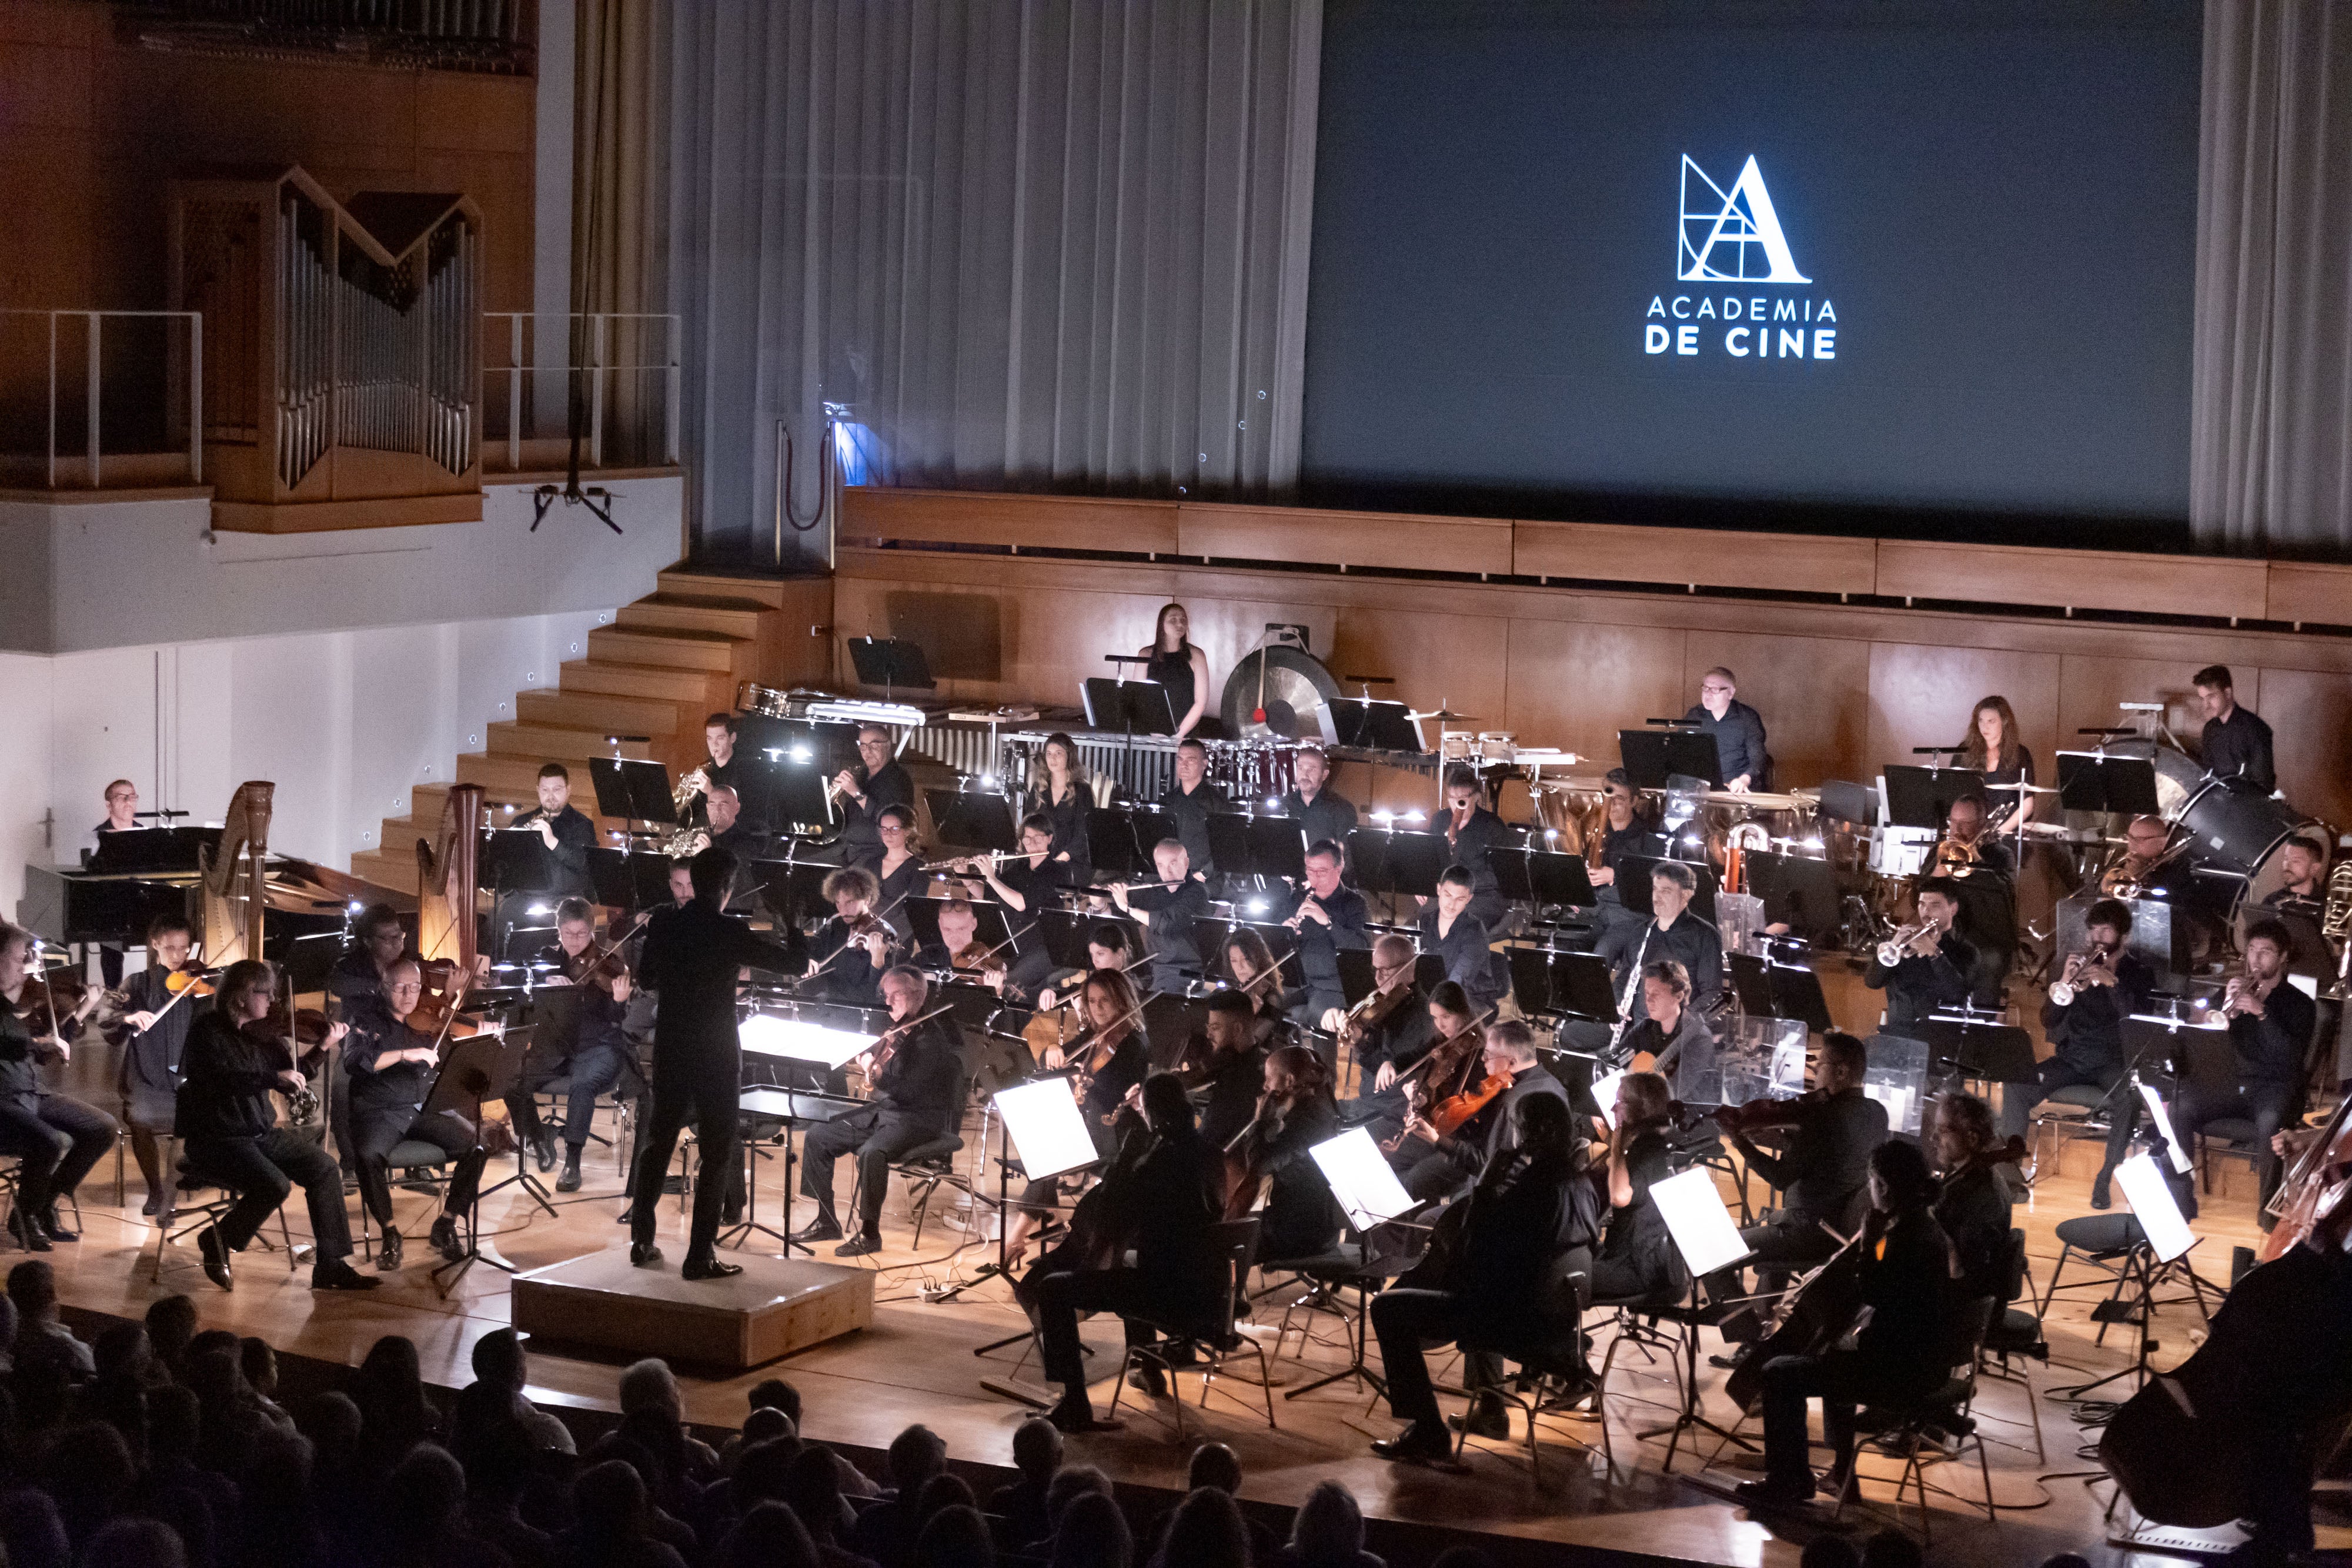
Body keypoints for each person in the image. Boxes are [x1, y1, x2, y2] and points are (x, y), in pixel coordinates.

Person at [1735, 1139, 1955, 1507]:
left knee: (1778, 1372)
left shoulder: (1905, 1235)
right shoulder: (1924, 1225)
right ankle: (1841, 1474)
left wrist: (1868, 1243)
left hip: (1899, 1374)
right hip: (1925, 1364)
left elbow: (1873, 1291)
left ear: (1882, 1185)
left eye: (1872, 1183)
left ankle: (1788, 1481)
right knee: (1835, 1356)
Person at [1371, 1092, 1590, 1462]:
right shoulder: (1579, 1183)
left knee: (1388, 1309)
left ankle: (1428, 1432)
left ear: (1537, 1133)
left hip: (1512, 1322)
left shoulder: (1532, 1190)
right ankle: (1489, 1410)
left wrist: (1486, 1186)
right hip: (1557, 1319)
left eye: (1518, 1128)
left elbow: (1473, 1252)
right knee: (1489, 1288)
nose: (1514, 1137)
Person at [1020, 1071, 1225, 1433]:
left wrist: (1124, 1167)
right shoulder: (1209, 1153)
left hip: (1170, 1294)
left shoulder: (1157, 1163)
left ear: (1152, 1114)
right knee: (1132, 1263)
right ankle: (1147, 1369)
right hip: (1210, 1290)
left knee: (1054, 1288)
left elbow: (1112, 1221)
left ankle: (1075, 1403)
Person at [631, 845, 801, 1279]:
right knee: (716, 1152)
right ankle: (699, 1254)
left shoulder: (666, 923)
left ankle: (642, 1239)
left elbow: (646, 978)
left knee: (659, 1139)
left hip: (670, 1045)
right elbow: (794, 964)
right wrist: (793, 918)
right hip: (716, 1051)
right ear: (727, 888)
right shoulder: (730, 931)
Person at [175, 958, 375, 1292]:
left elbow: (294, 1078)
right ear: (241, 996)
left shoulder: (264, 1034)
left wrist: (323, 1048)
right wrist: (272, 1077)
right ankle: (217, 1240)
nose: (272, 1001)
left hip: (259, 1135)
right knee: (275, 1185)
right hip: (216, 1139)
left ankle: (331, 1264)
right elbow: (220, 1080)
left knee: (325, 1167)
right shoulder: (206, 1030)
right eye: (265, 994)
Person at [796, 966, 963, 1256]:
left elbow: (906, 1092)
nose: (889, 1002)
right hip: (884, 1113)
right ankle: (826, 1220)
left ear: (918, 996)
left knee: (871, 1153)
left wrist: (874, 1069)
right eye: (887, 995)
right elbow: (883, 1083)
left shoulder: (931, 1042)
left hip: (917, 1119)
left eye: (896, 995)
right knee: (818, 1135)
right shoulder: (895, 1031)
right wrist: (868, 1061)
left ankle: (870, 1234)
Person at [339, 957, 489, 1271]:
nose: (409, 995)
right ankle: (390, 1232)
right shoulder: (364, 1018)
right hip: (381, 1112)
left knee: (477, 1147)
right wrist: (405, 1054)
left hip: (423, 1109)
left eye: (416, 987)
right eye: (400, 988)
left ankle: (446, 1224)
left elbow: (446, 1050)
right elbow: (355, 1062)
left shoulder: (428, 1016)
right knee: (367, 1156)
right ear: (384, 986)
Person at [1717, 1030, 1889, 1295]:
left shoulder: (1822, 1117)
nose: (1815, 1074)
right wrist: (1788, 1144)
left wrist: (1740, 1143)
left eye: (1820, 1067)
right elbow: (1833, 1156)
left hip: (1807, 1230)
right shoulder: (1878, 1113)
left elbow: (1780, 1178)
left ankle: (1745, 1327)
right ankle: (1766, 1313)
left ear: (1841, 1072)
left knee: (1716, 1254)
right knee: (1772, 1221)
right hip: (1841, 1229)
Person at [2009, 897, 2150, 1206]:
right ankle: (2010, 1177)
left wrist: (2113, 984)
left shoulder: (2139, 973)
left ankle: (2104, 1179)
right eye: (2093, 930)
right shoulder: (2072, 966)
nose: (2098, 938)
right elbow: (2049, 1020)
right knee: (2018, 1085)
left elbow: (2139, 1024)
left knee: (2130, 1098)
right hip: (2072, 1058)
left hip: (2115, 1062)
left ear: (2123, 937)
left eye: (2106, 931)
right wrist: (2063, 983)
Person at [1004, 968, 1150, 1267]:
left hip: (1114, 1133)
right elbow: (1059, 1057)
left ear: (1122, 1001)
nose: (1097, 1008)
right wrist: (1053, 1050)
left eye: (1105, 1001)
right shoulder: (1093, 1037)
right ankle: (1032, 1232)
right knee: (1047, 1153)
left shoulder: (1135, 1043)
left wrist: (1081, 1079)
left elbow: (1115, 1093)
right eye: (1092, 1001)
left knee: (1051, 1155)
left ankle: (1023, 1236)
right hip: (1089, 1125)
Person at [2179, 919, 2314, 1218]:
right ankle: (2181, 1199)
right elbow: (2202, 1039)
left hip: (2273, 1087)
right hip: (2230, 1083)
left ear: (2282, 957)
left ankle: (2267, 1213)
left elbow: (2290, 1057)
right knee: (2181, 1106)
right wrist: (2226, 1006)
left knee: (2270, 1123)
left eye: (2265, 952)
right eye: (2251, 950)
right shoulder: (2234, 991)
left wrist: (2261, 1013)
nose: (2255, 959)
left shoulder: (2301, 1004)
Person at [0, 921, 119, 1249]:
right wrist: (37, 1043)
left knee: (103, 1128)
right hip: (3, 1104)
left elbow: (40, 1055)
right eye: (19, 957)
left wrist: (77, 1015)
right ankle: (24, 1218)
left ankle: (42, 1206)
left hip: (29, 1095)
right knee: (49, 1143)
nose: (28, 967)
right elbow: (17, 1044)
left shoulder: (13, 1007)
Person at [516, 898, 637, 1193]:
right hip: (556, 1047)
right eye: (568, 934)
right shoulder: (545, 959)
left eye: (582, 934)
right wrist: (544, 988)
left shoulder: (610, 965)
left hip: (598, 1046)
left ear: (592, 933)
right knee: (511, 1079)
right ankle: (538, 1139)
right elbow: (528, 1007)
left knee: (582, 1084)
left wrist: (619, 1002)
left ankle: (573, 1161)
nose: (575, 941)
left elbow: (616, 1019)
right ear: (557, 931)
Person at [1393, 1019, 1570, 1203]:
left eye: (1488, 1055)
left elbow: (1487, 1166)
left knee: (1420, 1190)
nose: (1482, 1060)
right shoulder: (1552, 1083)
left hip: (1506, 1196)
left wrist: (1438, 1140)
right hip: (1538, 1184)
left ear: (1511, 1062)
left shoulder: (1511, 1103)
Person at [110, 912, 204, 1217]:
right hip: (146, 1075)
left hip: (188, 1077)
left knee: (200, 1119)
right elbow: (106, 1015)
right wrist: (128, 1017)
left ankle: (177, 1191)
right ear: (155, 945)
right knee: (139, 1120)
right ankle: (156, 1189)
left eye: (184, 949)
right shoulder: (138, 984)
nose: (178, 956)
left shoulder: (199, 985)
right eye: (170, 948)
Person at [1228, 1044, 1344, 1265]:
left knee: (1224, 1243)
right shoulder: (1321, 1110)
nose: (1265, 1086)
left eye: (1269, 1079)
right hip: (1319, 1228)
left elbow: (1259, 1165)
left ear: (1289, 1082)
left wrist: (1259, 1122)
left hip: (1299, 1234)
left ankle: (1229, 1296)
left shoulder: (1305, 1125)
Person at [1589, 1071, 1684, 1305]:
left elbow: (1620, 1196)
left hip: (1636, 1269)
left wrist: (1618, 1142)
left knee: (1551, 1276)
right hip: (1633, 1260)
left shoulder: (1650, 1151)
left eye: (1620, 1102)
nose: (1613, 1109)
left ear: (1644, 1108)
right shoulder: (1654, 1143)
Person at [1595, 860, 1723, 1025]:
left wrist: (1680, 1020)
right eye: (1655, 889)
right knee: (1571, 1035)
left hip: (1675, 1026)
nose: (1657, 897)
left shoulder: (1705, 935)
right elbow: (1623, 979)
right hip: (1634, 1021)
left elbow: (1712, 993)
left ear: (1685, 895)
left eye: (1666, 891)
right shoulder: (1641, 931)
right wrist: (1618, 1005)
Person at [1333, 938, 1436, 1131]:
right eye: (1375, 969)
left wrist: (1360, 1043)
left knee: (1326, 1127)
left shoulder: (1419, 1015)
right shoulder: (1386, 1002)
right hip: (1368, 1098)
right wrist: (1339, 1016)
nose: (1378, 978)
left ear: (1406, 967)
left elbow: (1387, 1078)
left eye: (1385, 970)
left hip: (1386, 1109)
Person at [1929, 1091, 2014, 1305]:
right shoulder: (1963, 1175)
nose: (1933, 1138)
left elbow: (1965, 1276)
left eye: (1942, 1130)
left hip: (1962, 1308)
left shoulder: (1983, 1197)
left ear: (1972, 1139)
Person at [1278, 841, 1370, 1033]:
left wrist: (1328, 922)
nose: (1315, 878)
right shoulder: (1297, 899)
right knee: (1265, 1006)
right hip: (1301, 983)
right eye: (1310, 871)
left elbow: (1360, 949)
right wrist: (1285, 935)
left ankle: (1319, 1062)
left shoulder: (1355, 904)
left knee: (1320, 1015)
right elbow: (1279, 952)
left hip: (1333, 988)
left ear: (1339, 869)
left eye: (1322, 872)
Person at [1865, 878, 1977, 1032]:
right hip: (1898, 1033)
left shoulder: (1966, 950)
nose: (1926, 911)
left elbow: (1958, 994)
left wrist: (1934, 953)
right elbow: (1873, 982)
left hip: (1940, 1036)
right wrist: (1895, 943)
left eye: (1935, 905)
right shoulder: (1904, 944)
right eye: (1922, 904)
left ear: (1953, 909)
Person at [1171, 990, 1268, 1152]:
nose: (1208, 1035)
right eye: (1208, 1027)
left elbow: (1210, 1137)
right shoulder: (1230, 1058)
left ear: (1237, 1029)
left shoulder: (1243, 1081)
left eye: (1215, 1028)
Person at [1114, 838, 1210, 993]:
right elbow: (1120, 909)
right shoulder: (1155, 890)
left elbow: (1166, 922)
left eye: (1173, 864)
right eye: (1161, 866)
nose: (1167, 872)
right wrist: (1103, 901)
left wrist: (1127, 908)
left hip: (1184, 972)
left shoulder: (1197, 892)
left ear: (1186, 863)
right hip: (1154, 969)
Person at [1618, 959, 1716, 1106]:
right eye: (1646, 993)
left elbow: (1675, 1093)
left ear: (1679, 996)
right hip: (1642, 1113)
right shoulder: (1645, 1028)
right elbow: (1615, 1063)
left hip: (1684, 1119)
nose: (1649, 1000)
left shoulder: (1700, 1039)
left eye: (1656, 994)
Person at [1417, 866, 1502, 1014]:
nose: (1451, 905)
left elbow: (1457, 982)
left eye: (1460, 899)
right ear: (1439, 890)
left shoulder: (1475, 931)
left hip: (1471, 1000)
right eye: (1448, 895)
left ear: (1469, 898)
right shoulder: (1424, 922)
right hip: (1436, 994)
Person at [1435, 767, 1513, 928]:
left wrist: (1461, 885)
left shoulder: (1492, 826)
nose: (1457, 804)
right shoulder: (1440, 820)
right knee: (1423, 925)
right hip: (1447, 897)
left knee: (1457, 925)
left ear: (1476, 797)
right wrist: (1423, 887)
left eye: (1463, 798)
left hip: (1483, 897)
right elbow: (1429, 860)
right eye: (1452, 798)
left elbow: (1501, 875)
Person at [805, 867, 891, 1008]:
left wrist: (877, 962)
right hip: (830, 1006)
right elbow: (812, 951)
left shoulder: (884, 935)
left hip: (863, 1012)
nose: (843, 911)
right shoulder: (834, 925)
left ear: (867, 899)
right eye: (838, 903)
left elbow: (877, 997)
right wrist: (809, 961)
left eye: (850, 902)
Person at [836, 725, 915, 874]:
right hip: (849, 849)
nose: (868, 752)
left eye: (873, 746)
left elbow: (890, 819)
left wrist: (856, 793)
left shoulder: (899, 779)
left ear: (887, 746)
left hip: (876, 854)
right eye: (863, 747)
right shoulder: (862, 774)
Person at [1587, 768, 1665, 920]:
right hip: (1595, 912)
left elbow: (1654, 885)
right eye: (1608, 797)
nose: (1611, 804)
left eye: (1619, 799)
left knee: (1604, 944)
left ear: (1634, 801)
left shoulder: (1650, 839)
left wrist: (1614, 877)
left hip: (1628, 917)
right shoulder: (1597, 833)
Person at [89, 778, 144, 986]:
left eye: (133, 797)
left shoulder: (147, 834)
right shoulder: (98, 837)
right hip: (110, 907)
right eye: (123, 798)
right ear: (109, 804)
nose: (129, 802)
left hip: (142, 902)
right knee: (112, 947)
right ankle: (113, 994)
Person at [513, 763, 597, 899]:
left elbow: (583, 863)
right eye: (545, 790)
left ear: (568, 790)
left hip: (568, 902)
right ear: (538, 790)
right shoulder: (521, 822)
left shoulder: (582, 825)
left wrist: (551, 841)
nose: (550, 796)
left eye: (557, 789)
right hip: (527, 899)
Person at [1683, 667, 1768, 793]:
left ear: (1731, 693)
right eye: (1705, 688)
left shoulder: (1747, 717)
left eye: (1715, 690)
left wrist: (1744, 779)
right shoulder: (1694, 715)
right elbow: (1681, 753)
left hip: (1735, 790)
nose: (1708, 694)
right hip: (1699, 790)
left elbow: (1758, 758)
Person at [1956, 695, 2038, 823]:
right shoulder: (1964, 751)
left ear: (2004, 723)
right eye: (1981, 721)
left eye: (1991, 721)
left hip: (2007, 832)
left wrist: (2000, 833)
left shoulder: (2020, 754)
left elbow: (2027, 806)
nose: (1984, 726)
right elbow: (1955, 799)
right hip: (1971, 830)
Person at [2195, 663, 2276, 793]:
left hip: (2246, 806)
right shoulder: (2210, 729)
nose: (2206, 705)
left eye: (2211, 697)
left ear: (2227, 693)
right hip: (2216, 804)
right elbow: (2206, 775)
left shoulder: (2256, 728)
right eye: (2202, 699)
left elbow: (2263, 782)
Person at [1028, 734, 1095, 887]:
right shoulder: (1038, 788)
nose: (1053, 758)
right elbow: (1029, 826)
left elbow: (1083, 835)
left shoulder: (1082, 790)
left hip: (1072, 862)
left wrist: (1057, 861)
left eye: (1058, 753)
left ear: (1069, 756)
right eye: (1049, 754)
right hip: (1042, 858)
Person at [1157, 739, 1225, 881]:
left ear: (1204, 764)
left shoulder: (1217, 803)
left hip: (1205, 878)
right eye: (1180, 760)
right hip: (1170, 878)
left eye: (1191, 760)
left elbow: (1226, 846)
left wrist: (1204, 873)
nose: (1184, 765)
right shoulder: (1167, 801)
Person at [1142, 602, 1212, 740]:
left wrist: (1178, 735)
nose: (1180, 624)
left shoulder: (1197, 655)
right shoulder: (1145, 654)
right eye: (1173, 620)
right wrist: (1154, 733)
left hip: (1185, 736)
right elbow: (1140, 697)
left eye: (1183, 620)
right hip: (1151, 735)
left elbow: (1201, 702)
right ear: (1162, 624)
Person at [1277, 747, 1358, 852]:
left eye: (1311, 769)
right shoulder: (1282, 804)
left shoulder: (1342, 809)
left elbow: (1347, 858)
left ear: (1324, 775)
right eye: (1300, 768)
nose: (1305, 775)